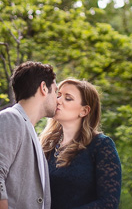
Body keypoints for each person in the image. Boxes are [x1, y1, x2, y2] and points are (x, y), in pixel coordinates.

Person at [0, 61, 58, 209]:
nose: (57, 98)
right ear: (43, 88)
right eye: (55, 91)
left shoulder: (29, 131)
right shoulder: (10, 118)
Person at [40, 79, 122, 209]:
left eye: (68, 98)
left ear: (84, 111)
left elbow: (108, 203)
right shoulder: (46, 145)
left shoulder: (101, 145)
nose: (58, 100)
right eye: (58, 95)